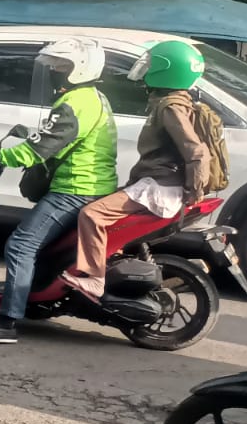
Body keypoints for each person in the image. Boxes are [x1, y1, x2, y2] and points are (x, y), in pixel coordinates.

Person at [0, 37, 118, 344]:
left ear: (80, 69)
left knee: (20, 246)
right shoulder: (93, 97)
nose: (55, 71)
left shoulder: (75, 103)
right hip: (93, 185)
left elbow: (40, 149)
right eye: (55, 65)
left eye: (61, 66)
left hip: (76, 189)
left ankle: (6, 323)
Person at [62, 40, 213, 302]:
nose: (145, 70)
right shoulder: (174, 101)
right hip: (156, 183)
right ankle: (112, 266)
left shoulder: (171, 107)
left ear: (167, 70)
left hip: (158, 187)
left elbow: (196, 151)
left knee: (92, 214)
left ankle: (95, 280)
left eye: (152, 65)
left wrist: (194, 190)